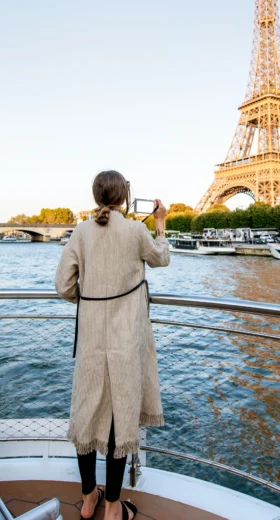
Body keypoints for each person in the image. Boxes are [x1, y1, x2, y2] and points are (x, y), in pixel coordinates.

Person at [54, 170, 171, 520]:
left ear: (97, 197)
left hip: (91, 339)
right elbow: (161, 258)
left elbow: (63, 285)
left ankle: (89, 499)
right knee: (121, 420)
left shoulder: (82, 231)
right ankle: (113, 506)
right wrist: (161, 223)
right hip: (126, 341)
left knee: (87, 418)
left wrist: (89, 300)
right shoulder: (137, 230)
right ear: (123, 197)